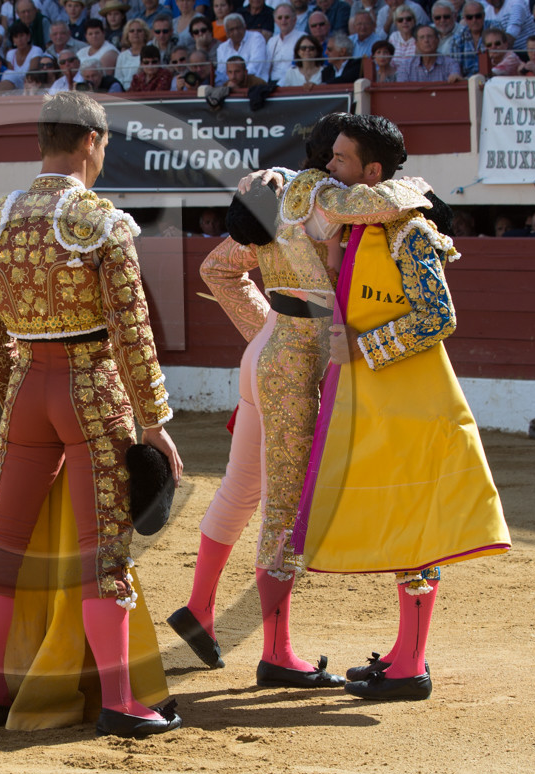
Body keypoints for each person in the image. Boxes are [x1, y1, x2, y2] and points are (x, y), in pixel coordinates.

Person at [0, 91, 182, 738]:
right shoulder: (103, 222)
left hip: (26, 392)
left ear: (42, 142)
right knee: (103, 555)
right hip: (91, 388)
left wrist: (17, 399)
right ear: (92, 141)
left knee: (0, 549)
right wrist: (154, 421)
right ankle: (120, 702)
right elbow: (132, 330)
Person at [169, 112, 432, 687]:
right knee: (283, 507)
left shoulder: (278, 197)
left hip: (270, 352)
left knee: (244, 488)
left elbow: (217, 269)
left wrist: (265, 330)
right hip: (301, 360)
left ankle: (201, 609)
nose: (337, 165)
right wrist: (421, 189)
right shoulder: (331, 199)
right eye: (336, 155)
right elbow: (382, 203)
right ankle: (276, 652)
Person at [302, 114, 510, 701]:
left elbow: (438, 317)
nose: (329, 168)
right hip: (382, 402)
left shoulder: (410, 232)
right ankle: (403, 652)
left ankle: (411, 667)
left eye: (340, 159)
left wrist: (363, 347)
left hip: (415, 402)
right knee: (402, 522)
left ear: (372, 172)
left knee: (415, 527)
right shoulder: (360, 227)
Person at [214, 13, 266, 86]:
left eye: (238, 28)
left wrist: (235, 80)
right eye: (231, 29)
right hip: (231, 85)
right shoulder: (222, 48)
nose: (236, 32)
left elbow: (255, 67)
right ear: (227, 33)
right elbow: (222, 73)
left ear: (245, 27)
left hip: (255, 84)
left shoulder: (256, 38)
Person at [264, 4, 301, 81]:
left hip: (294, 82)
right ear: (275, 21)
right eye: (280, 18)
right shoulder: (272, 41)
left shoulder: (302, 38)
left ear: (294, 20)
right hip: (273, 82)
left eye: (287, 17)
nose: (283, 20)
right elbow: (267, 67)